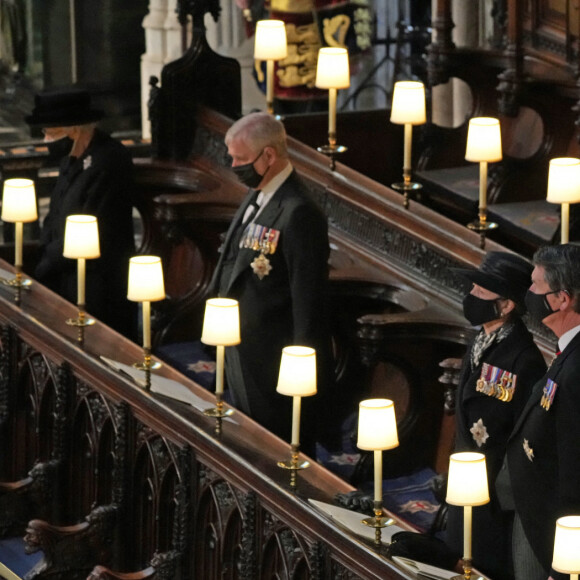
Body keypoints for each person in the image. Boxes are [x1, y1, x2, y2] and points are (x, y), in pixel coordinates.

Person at [208, 112, 333, 453]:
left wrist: (301, 374)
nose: (233, 165)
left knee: (274, 452)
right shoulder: (259, 195)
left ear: (269, 156)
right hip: (240, 348)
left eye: (240, 159)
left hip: (274, 362)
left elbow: (309, 302)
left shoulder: (299, 212)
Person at [446, 251, 547, 580]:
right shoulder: (479, 340)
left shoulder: (524, 359)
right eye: (473, 288)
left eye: (481, 292)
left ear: (506, 305)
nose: (471, 297)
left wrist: (499, 495)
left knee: (484, 567)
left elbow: (524, 435)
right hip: (464, 482)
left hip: (491, 495)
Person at [25, 88, 137, 339]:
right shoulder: (72, 157)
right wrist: (43, 254)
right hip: (63, 275)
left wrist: (46, 266)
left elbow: (96, 225)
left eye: (50, 133)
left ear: (74, 130)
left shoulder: (110, 160)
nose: (46, 140)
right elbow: (54, 214)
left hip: (97, 286)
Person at [497, 243, 580, 580]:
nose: (528, 293)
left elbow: (575, 470)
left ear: (562, 299)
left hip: (550, 530)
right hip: (534, 512)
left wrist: (565, 564)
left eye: (536, 286)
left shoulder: (577, 372)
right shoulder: (569, 351)